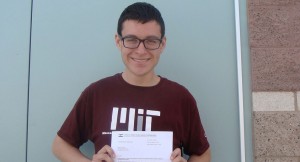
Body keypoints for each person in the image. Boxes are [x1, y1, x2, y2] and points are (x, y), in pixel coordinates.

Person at [52, 2, 211, 162]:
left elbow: (203, 154)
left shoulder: (181, 98)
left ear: (162, 44)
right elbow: (60, 145)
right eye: (131, 39)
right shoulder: (97, 93)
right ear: (118, 41)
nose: (141, 50)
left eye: (151, 41)